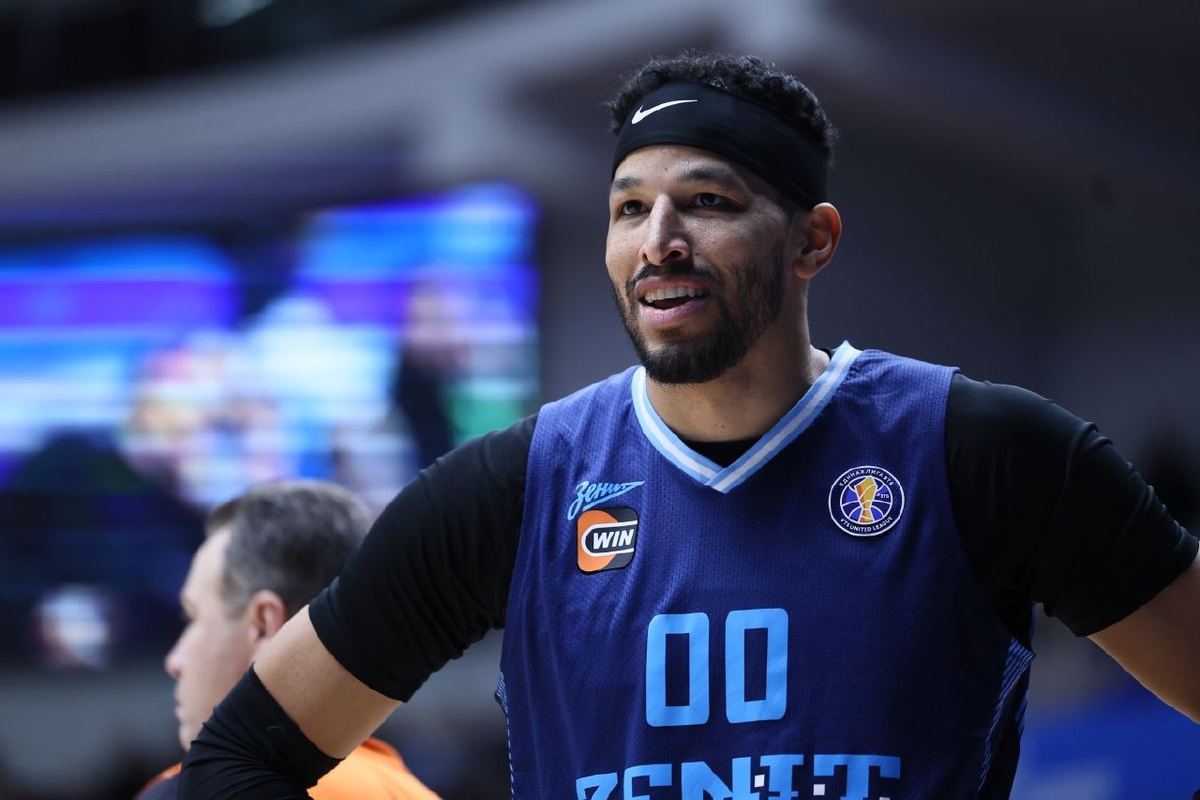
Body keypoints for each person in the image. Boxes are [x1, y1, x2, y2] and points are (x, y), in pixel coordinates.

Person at [179, 52, 1200, 799]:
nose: (658, 241)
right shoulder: (516, 487)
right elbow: (238, 758)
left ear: (812, 241)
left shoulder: (982, 449)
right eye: (630, 209)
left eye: (706, 201)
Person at [139, 480, 439, 799]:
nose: (174, 661)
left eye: (193, 617)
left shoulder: (193, 791)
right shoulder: (411, 793)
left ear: (263, 625)